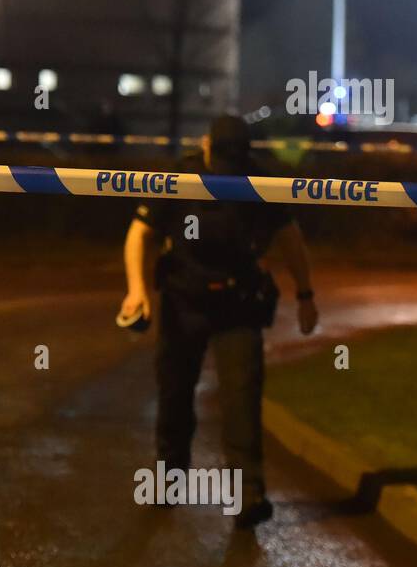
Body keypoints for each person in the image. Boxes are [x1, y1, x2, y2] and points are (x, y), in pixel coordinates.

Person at [117, 115, 318, 528]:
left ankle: (248, 493)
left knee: (241, 396)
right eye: (223, 158)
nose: (229, 168)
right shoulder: (179, 177)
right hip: (183, 299)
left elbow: (289, 237)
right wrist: (137, 290)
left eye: (235, 160)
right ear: (205, 145)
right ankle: (170, 476)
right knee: (174, 392)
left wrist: (305, 294)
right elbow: (141, 233)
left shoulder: (260, 181)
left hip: (238, 301)